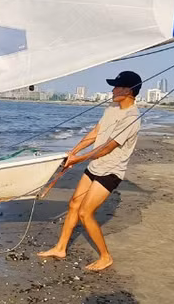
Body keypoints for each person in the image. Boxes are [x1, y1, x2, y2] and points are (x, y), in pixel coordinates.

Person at [37, 71, 144, 271]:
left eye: (116, 87)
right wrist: (72, 152)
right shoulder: (113, 107)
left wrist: (77, 160)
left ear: (128, 91)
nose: (112, 90)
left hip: (111, 172)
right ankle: (60, 248)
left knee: (86, 213)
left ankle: (105, 257)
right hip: (95, 167)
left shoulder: (132, 118)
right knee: (74, 204)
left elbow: (106, 148)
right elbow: (96, 132)